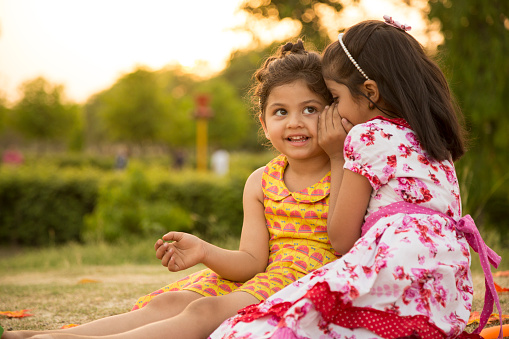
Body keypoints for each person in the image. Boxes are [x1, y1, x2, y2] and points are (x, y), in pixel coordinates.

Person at [2, 40, 342, 339]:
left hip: (307, 283)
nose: (295, 122)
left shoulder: (346, 168)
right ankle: (43, 334)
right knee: (174, 301)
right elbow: (252, 263)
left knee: (202, 313)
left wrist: (340, 156)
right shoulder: (261, 181)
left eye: (310, 109)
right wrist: (204, 252)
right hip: (265, 278)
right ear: (265, 124)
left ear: (333, 113)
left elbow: (346, 241)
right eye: (280, 111)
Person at [209, 16, 503, 339]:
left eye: (335, 99)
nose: (333, 112)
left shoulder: (365, 137)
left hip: (393, 271)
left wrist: (337, 154)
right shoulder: (434, 142)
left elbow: (341, 239)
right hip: (445, 285)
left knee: (273, 322)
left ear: (369, 92)